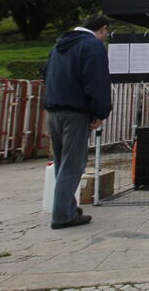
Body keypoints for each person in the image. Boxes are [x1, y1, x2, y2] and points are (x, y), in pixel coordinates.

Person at [41, 14, 112, 230]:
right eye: (107, 33)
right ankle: (62, 215)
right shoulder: (92, 46)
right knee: (73, 164)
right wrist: (100, 111)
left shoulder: (59, 46)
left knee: (62, 162)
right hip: (75, 112)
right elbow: (96, 80)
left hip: (54, 110)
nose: (106, 37)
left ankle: (67, 206)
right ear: (102, 28)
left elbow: (46, 74)